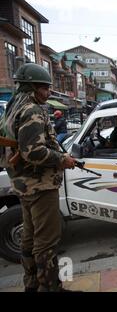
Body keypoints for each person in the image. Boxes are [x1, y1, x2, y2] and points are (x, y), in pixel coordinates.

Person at [2, 63, 75, 291]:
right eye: (44, 87)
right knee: (47, 242)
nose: (48, 92)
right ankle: (51, 287)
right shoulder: (32, 110)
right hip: (40, 186)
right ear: (32, 87)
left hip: (25, 186)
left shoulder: (13, 108)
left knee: (30, 238)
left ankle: (32, 284)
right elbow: (33, 152)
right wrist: (62, 159)